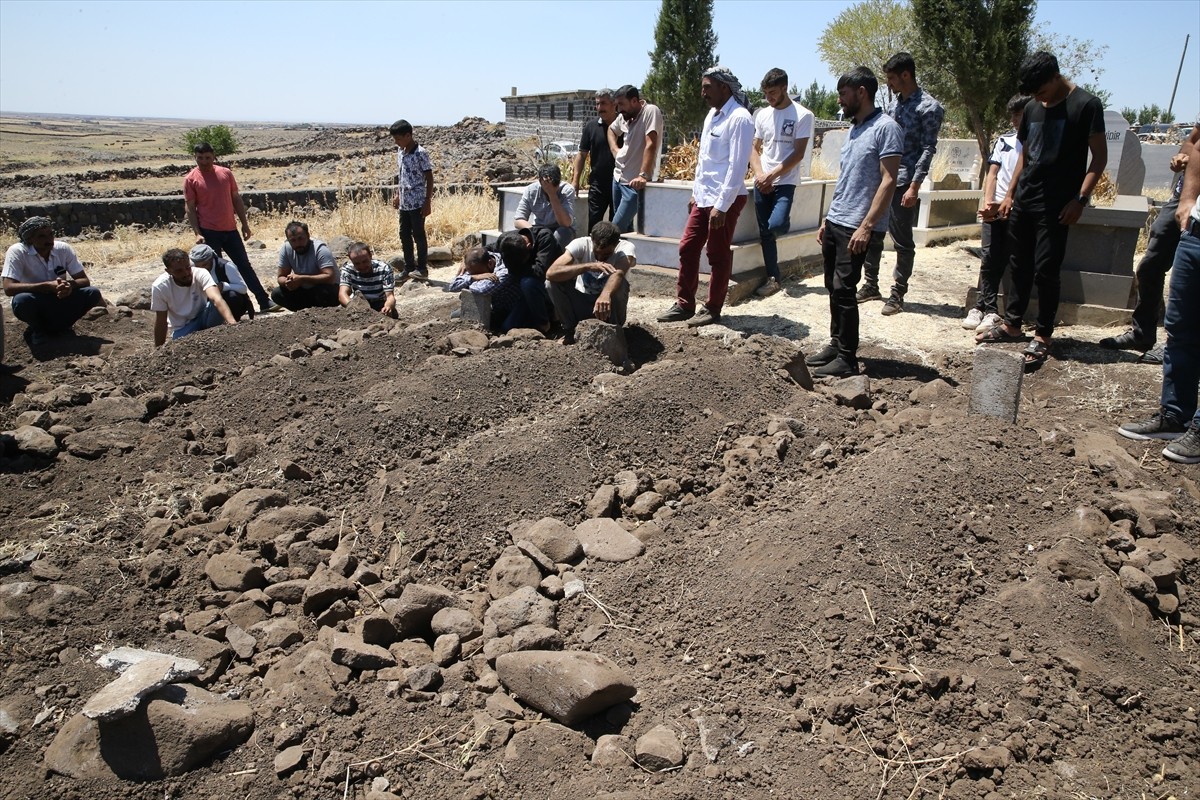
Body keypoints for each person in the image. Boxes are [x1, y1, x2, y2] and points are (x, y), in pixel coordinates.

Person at [975, 51, 1107, 369]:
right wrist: (1010, 194)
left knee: (1046, 269)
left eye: (1042, 91)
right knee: (1018, 264)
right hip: (1025, 200)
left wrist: (1080, 199)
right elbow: (1025, 154)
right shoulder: (1033, 107)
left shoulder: (1086, 105)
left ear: (1055, 77)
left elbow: (1099, 158)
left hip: (1058, 205)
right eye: (1034, 95)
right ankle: (1012, 325)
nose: (1039, 99)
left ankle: (1044, 334)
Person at [805, 67, 903, 378]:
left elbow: (889, 181)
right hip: (837, 221)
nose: (839, 100)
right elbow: (847, 179)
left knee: (845, 289)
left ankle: (847, 358)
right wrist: (828, 217)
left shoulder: (886, 128)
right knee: (832, 287)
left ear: (861, 92)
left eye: (843, 93)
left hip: (857, 227)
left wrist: (866, 226)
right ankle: (836, 344)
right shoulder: (855, 129)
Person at [1117, 131, 1200, 463]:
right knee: (1180, 328)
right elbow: (1196, 143)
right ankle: (1175, 415)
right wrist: (1187, 198)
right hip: (1195, 232)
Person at [657, 67, 754, 328]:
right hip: (704, 198)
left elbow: (737, 167)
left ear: (724, 87)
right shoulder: (712, 115)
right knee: (687, 247)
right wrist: (695, 193)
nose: (702, 93)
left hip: (725, 199)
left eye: (707, 87)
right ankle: (684, 304)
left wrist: (721, 206)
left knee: (717, 254)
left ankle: (712, 308)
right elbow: (704, 161)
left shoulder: (740, 118)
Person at [1101, 121, 1200, 362]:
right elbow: (1192, 142)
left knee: (1190, 279)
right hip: (1183, 197)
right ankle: (1143, 332)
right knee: (1149, 266)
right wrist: (1182, 156)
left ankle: (1178, 345)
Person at [859, 52, 945, 315]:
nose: (889, 84)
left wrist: (914, 186)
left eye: (892, 78)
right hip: (884, 178)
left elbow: (928, 149)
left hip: (905, 181)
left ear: (906, 75)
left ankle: (898, 292)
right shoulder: (896, 105)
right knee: (872, 231)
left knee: (902, 240)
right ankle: (871, 284)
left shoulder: (929, 107)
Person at [963, 95, 1030, 333]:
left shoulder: (1034, 143)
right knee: (989, 257)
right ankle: (988, 309)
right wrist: (988, 201)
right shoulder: (1004, 141)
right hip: (994, 208)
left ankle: (986, 308)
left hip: (1016, 209)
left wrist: (1005, 202)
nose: (1014, 120)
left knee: (1007, 259)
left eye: (1019, 115)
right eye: (1012, 115)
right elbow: (992, 173)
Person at [183, 142, 273, 312]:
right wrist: (197, 232)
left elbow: (236, 199)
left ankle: (263, 301)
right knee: (215, 270)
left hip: (231, 229)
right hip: (209, 232)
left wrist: (245, 224)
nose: (204, 161)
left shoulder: (225, 173)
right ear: (195, 157)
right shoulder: (191, 179)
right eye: (200, 158)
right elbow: (189, 207)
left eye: (207, 157)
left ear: (214, 156)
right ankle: (232, 306)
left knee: (244, 265)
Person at [749, 67, 814, 298]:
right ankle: (773, 278)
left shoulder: (803, 115)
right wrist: (759, 174)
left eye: (773, 92)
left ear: (785, 88)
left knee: (776, 225)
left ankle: (782, 224)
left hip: (785, 180)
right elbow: (753, 148)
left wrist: (772, 176)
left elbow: (797, 154)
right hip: (762, 180)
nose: (769, 98)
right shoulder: (762, 114)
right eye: (766, 93)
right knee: (765, 233)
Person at [2, 216, 104, 345]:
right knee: (21, 300)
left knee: (92, 292)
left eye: (50, 234)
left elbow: (84, 280)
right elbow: (8, 288)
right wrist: (45, 286)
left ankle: (64, 326)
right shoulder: (17, 251)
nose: (49, 239)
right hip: (36, 300)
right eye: (41, 236)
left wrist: (68, 286)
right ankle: (38, 331)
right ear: (30, 239)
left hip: (61, 297)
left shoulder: (63, 249)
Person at [546, 222, 635, 344]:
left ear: (616, 244)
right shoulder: (580, 244)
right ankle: (570, 330)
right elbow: (551, 273)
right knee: (551, 283)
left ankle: (613, 332)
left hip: (608, 309)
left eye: (606, 255)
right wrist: (588, 266)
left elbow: (618, 273)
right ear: (591, 238)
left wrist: (606, 294)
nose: (600, 257)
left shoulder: (625, 248)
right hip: (582, 303)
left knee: (621, 284)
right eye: (596, 252)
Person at [151, 248, 238, 347]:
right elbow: (161, 321)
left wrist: (233, 324)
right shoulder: (160, 287)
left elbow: (216, 298)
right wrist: (158, 350)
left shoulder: (200, 273)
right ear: (168, 271)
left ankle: (217, 335)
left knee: (218, 304)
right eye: (179, 271)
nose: (186, 273)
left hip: (204, 317)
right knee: (180, 345)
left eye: (188, 267)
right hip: (183, 327)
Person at [608, 85, 664, 233]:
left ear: (634, 101)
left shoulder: (650, 111)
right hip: (618, 178)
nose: (619, 109)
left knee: (614, 229)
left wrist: (643, 175)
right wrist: (615, 150)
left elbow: (650, 144)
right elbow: (611, 130)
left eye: (622, 104)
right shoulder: (624, 117)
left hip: (634, 184)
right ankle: (625, 257)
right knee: (625, 231)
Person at [389, 119, 434, 280]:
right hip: (404, 203)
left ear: (408, 135)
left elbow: (429, 177)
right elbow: (402, 176)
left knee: (419, 235)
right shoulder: (400, 152)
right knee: (404, 234)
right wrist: (397, 194)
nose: (396, 142)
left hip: (417, 202)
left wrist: (427, 200)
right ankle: (408, 268)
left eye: (398, 139)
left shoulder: (420, 153)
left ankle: (422, 269)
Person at [496, 227, 562, 334]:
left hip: (548, 288)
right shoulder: (505, 240)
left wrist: (517, 270)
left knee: (528, 282)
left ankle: (545, 323)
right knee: (506, 328)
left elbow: (539, 272)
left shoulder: (544, 238)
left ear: (529, 247)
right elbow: (488, 249)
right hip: (526, 293)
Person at [573, 89, 620, 232]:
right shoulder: (591, 127)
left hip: (618, 184)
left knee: (616, 226)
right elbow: (581, 155)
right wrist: (575, 181)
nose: (600, 108)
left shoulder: (624, 126)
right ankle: (592, 253)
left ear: (614, 104)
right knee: (594, 226)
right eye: (597, 104)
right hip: (597, 185)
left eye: (604, 103)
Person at [447, 246, 523, 332]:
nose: (479, 276)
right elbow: (452, 286)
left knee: (504, 328)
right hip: (493, 305)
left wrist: (470, 280)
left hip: (512, 308)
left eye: (479, 273)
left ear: (490, 264)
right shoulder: (478, 262)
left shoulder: (505, 270)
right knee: (455, 316)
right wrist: (474, 277)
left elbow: (482, 289)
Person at [272, 221, 339, 311]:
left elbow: (330, 277)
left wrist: (302, 279)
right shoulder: (286, 249)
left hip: (325, 289)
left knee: (323, 292)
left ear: (308, 236)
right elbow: (280, 277)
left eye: (300, 238)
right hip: (304, 290)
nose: (298, 243)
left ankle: (320, 312)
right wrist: (288, 282)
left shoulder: (319, 249)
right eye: (293, 240)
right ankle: (303, 313)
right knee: (277, 293)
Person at [515, 164, 576, 248]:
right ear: (540, 181)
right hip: (538, 229)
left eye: (555, 184)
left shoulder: (567, 190)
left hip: (560, 228)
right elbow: (518, 220)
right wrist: (536, 232)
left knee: (562, 233)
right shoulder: (531, 191)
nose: (552, 187)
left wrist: (552, 194)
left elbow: (565, 223)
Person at [189, 244, 253, 321]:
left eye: (205, 264)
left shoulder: (226, 266)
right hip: (206, 303)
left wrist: (223, 286)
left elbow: (243, 288)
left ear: (211, 259)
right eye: (198, 266)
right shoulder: (192, 269)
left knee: (232, 296)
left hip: (229, 302)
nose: (202, 268)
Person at [338, 241, 397, 318]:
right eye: (357, 263)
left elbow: (390, 296)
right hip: (358, 303)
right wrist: (352, 306)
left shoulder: (384, 268)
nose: (362, 266)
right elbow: (342, 294)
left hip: (379, 303)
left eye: (365, 261)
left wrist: (388, 306)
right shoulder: (348, 269)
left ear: (370, 256)